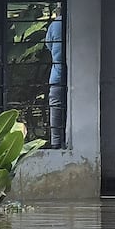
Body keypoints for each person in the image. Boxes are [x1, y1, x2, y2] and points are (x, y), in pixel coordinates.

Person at [45, 9, 65, 148]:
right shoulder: (75, 20)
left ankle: (55, 143)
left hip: (57, 75)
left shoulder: (55, 24)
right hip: (75, 75)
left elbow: (48, 45)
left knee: (56, 108)